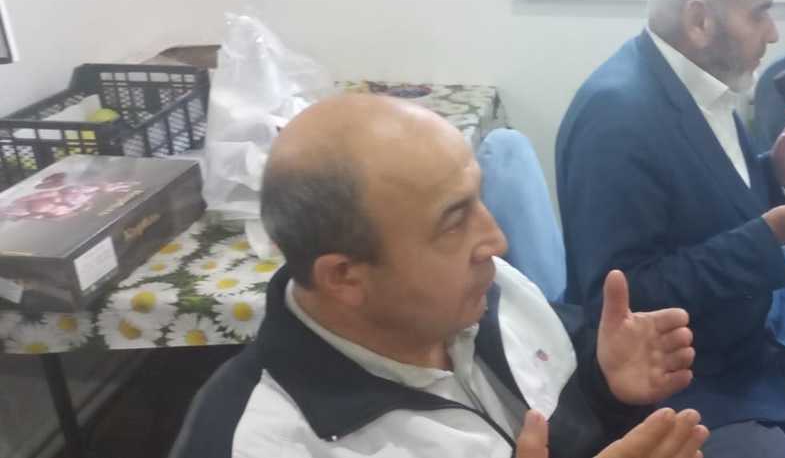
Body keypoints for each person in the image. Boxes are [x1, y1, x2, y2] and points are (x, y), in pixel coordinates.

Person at [176, 94, 708, 458]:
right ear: (344, 276)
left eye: (478, 197)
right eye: (454, 221)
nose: (496, 241)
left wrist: (604, 385)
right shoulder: (263, 440)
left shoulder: (490, 289)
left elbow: (568, 426)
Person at [556, 0, 785, 458]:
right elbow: (623, 302)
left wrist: (779, 171)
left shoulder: (698, 86)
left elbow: (706, 210)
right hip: (685, 386)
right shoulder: (616, 119)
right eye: (759, 12)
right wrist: (769, 237)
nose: (773, 33)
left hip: (742, 344)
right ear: (699, 20)